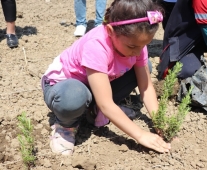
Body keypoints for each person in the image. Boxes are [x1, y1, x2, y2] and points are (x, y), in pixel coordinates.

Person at [41, 0, 170, 156]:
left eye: (143, 45)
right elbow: (105, 103)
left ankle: (93, 111)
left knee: (145, 67)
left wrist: (159, 121)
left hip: (95, 85)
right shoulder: (97, 45)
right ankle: (65, 126)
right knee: (74, 95)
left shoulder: (137, 44)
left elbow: (146, 86)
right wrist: (140, 135)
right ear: (110, 31)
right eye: (132, 46)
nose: (138, 52)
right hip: (63, 88)